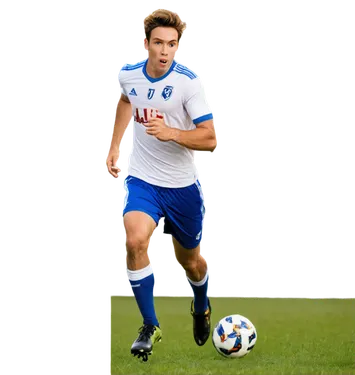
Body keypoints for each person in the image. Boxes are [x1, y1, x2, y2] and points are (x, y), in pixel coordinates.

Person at [105, 7, 218, 362]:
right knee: (136, 238)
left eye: (172, 44)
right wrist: (114, 146)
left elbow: (211, 139)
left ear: (178, 46)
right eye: (158, 43)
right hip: (143, 179)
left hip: (182, 188)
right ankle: (150, 325)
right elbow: (126, 100)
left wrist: (171, 133)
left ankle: (201, 305)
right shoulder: (129, 75)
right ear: (146, 44)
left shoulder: (188, 83)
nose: (165, 51)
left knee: (190, 263)